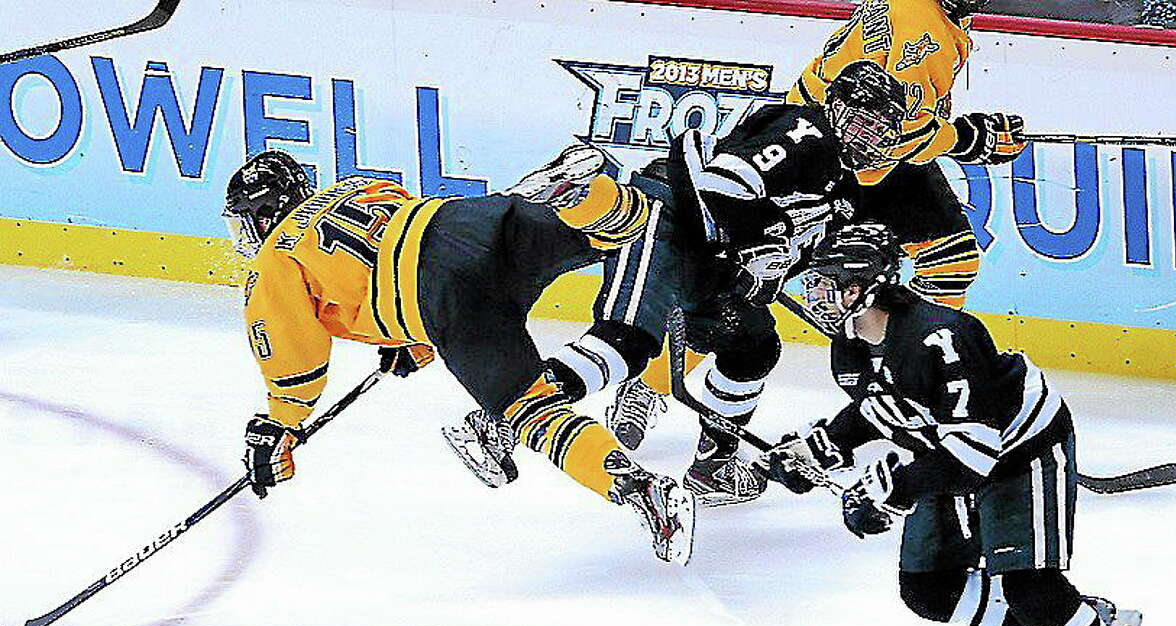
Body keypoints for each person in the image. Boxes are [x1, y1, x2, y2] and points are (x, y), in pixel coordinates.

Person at [762, 223, 1168, 626]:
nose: (815, 295)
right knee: (930, 591)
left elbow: (977, 456)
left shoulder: (941, 337)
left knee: (1030, 589)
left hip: (1021, 450)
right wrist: (821, 450)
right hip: (952, 453)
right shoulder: (851, 347)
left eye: (830, 283)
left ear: (870, 286)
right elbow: (883, 408)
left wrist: (893, 491)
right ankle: (1089, 621)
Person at [470, 60, 909, 508]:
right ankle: (501, 415)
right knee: (624, 342)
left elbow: (794, 247)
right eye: (863, 123)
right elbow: (718, 183)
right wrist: (762, 238)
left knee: (753, 348)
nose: (870, 139)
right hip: (666, 221)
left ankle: (713, 465)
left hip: (713, 263)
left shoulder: (842, 185)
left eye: (880, 132)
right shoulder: (806, 132)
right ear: (835, 107)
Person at [227, 148, 695, 565]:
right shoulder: (352, 188)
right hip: (469, 222)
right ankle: (597, 201)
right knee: (600, 238)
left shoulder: (274, 262)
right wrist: (405, 340)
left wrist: (280, 424)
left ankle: (644, 491)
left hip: (445, 295)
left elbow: (296, 359)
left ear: (262, 215)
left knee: (528, 410)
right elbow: (389, 249)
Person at [606, 0, 1027, 457]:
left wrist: (964, 132)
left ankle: (911, 376)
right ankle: (919, 379)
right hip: (850, 159)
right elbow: (891, 133)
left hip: (825, 142)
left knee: (759, 272)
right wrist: (971, 139)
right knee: (942, 257)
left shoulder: (921, 9)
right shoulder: (925, 28)